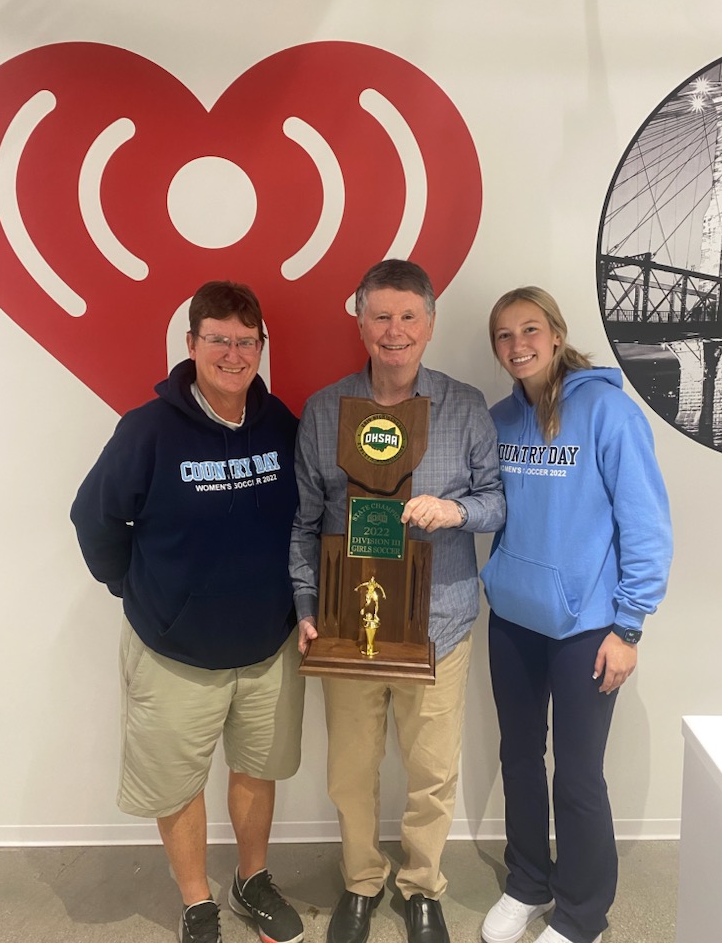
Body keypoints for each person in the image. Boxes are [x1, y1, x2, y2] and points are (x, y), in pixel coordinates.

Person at [71, 281, 305, 943]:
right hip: (173, 651)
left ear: (260, 346)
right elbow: (94, 520)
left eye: (245, 341)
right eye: (219, 339)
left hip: (266, 646)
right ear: (192, 343)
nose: (233, 354)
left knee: (257, 771)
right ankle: (198, 901)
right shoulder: (147, 430)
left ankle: (251, 881)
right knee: (178, 783)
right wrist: (141, 593)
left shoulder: (281, 423)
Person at [289, 259, 506, 943]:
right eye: (380, 316)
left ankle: (420, 887)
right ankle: (360, 880)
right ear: (359, 322)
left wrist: (455, 512)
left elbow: (498, 501)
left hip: (440, 623)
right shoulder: (325, 410)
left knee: (431, 772)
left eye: (408, 316)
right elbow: (302, 521)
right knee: (350, 773)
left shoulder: (465, 405)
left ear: (431, 324)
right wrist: (305, 602)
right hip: (347, 627)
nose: (394, 330)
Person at [479, 287, 672, 943]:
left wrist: (629, 626)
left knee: (579, 775)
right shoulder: (501, 421)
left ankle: (583, 912)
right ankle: (528, 882)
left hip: (587, 627)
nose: (518, 345)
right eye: (503, 336)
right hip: (512, 618)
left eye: (530, 330)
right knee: (518, 759)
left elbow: (646, 525)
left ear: (556, 335)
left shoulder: (609, 413)